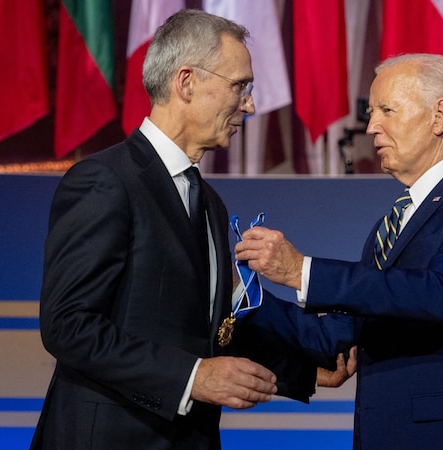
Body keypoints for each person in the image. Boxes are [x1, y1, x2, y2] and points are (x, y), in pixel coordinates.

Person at [30, 9, 352, 449]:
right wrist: (192, 376)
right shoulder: (105, 181)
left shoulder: (209, 203)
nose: (251, 105)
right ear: (186, 82)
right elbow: (68, 325)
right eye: (240, 87)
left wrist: (301, 371)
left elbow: (211, 326)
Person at [235, 53, 443, 450]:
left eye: (387, 110)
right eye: (373, 112)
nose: (372, 126)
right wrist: (239, 294)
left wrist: (302, 271)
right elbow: (337, 336)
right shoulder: (390, 225)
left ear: (438, 115)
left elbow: (440, 295)